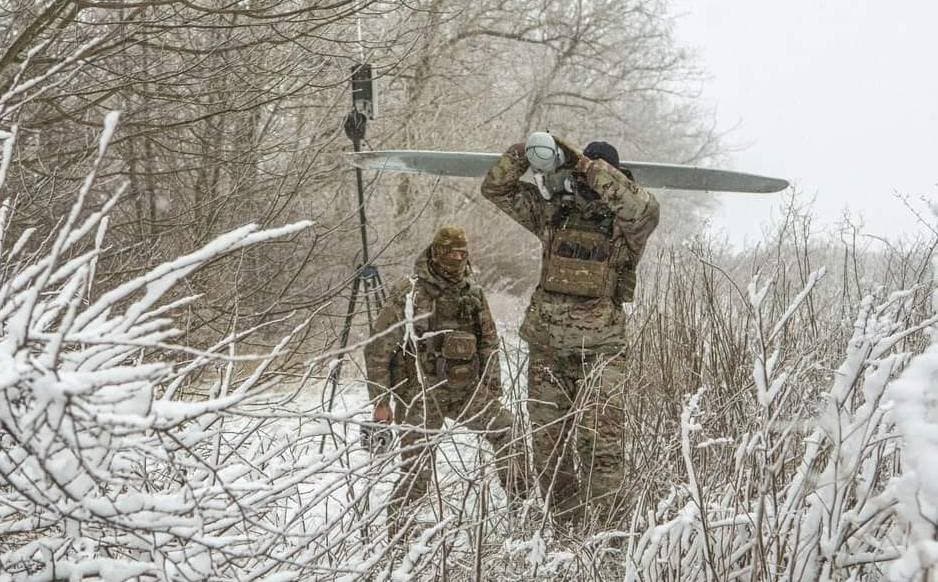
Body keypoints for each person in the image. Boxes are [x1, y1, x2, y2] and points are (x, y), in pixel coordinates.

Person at [480, 134, 660, 526]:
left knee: (602, 449)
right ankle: (565, 531)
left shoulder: (628, 224)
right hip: (548, 350)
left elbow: (643, 208)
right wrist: (526, 150)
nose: (586, 181)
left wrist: (585, 164)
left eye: (596, 173)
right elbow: (495, 187)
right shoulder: (553, 212)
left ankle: (608, 536)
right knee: (549, 449)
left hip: (601, 352)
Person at [364, 225, 522, 535]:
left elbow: (488, 342)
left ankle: (522, 510)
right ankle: (398, 537)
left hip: (465, 390)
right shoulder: (409, 292)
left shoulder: (472, 293)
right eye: (451, 253)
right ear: (436, 253)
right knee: (416, 473)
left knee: (507, 431)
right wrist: (381, 402)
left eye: (462, 253)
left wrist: (492, 387)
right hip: (421, 393)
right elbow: (379, 347)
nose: (457, 259)